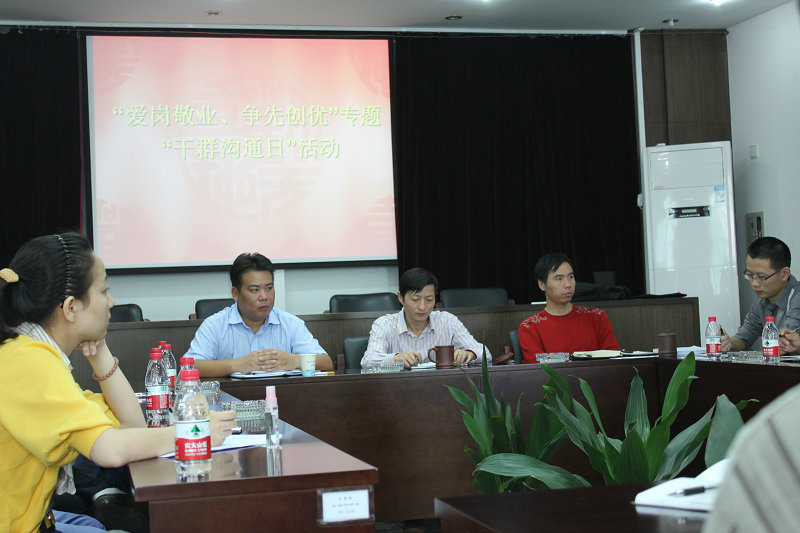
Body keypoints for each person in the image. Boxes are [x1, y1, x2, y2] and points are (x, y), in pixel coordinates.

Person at [0, 232, 236, 533]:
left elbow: (130, 426)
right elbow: (110, 450)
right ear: (71, 307)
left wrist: (99, 351)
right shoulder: (28, 361)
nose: (111, 302)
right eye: (104, 291)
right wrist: (196, 433)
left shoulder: (34, 353)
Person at [186, 253, 332, 377]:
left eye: (269, 288)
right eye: (255, 290)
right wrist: (236, 365)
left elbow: (326, 362)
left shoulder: (290, 324)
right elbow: (189, 367)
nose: (264, 297)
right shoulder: (215, 325)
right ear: (235, 293)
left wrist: (293, 360)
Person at [360, 267, 490, 369]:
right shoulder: (384, 324)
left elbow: (486, 354)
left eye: (429, 299)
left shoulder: (448, 322)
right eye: (415, 299)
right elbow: (368, 361)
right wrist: (395, 359)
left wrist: (470, 354)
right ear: (400, 298)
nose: (422, 307)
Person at [518, 253, 619, 362]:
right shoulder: (529, 327)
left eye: (571, 277)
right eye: (559, 279)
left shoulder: (597, 317)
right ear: (542, 284)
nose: (568, 284)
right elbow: (539, 367)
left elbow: (614, 359)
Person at [721, 236, 800, 354]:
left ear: (784, 274)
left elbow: (787, 341)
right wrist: (729, 343)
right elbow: (743, 338)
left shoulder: (796, 297)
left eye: (762, 277)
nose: (755, 283)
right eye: (750, 275)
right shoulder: (761, 304)